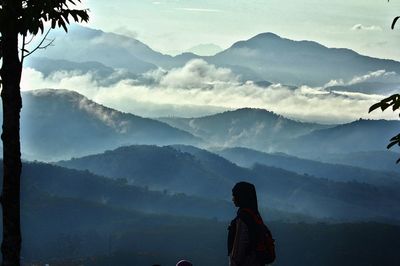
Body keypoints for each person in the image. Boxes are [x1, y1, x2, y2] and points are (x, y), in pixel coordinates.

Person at [228, 182, 263, 266]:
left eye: (234, 195)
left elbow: (237, 253)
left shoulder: (243, 219)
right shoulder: (255, 216)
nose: (233, 199)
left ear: (241, 197)